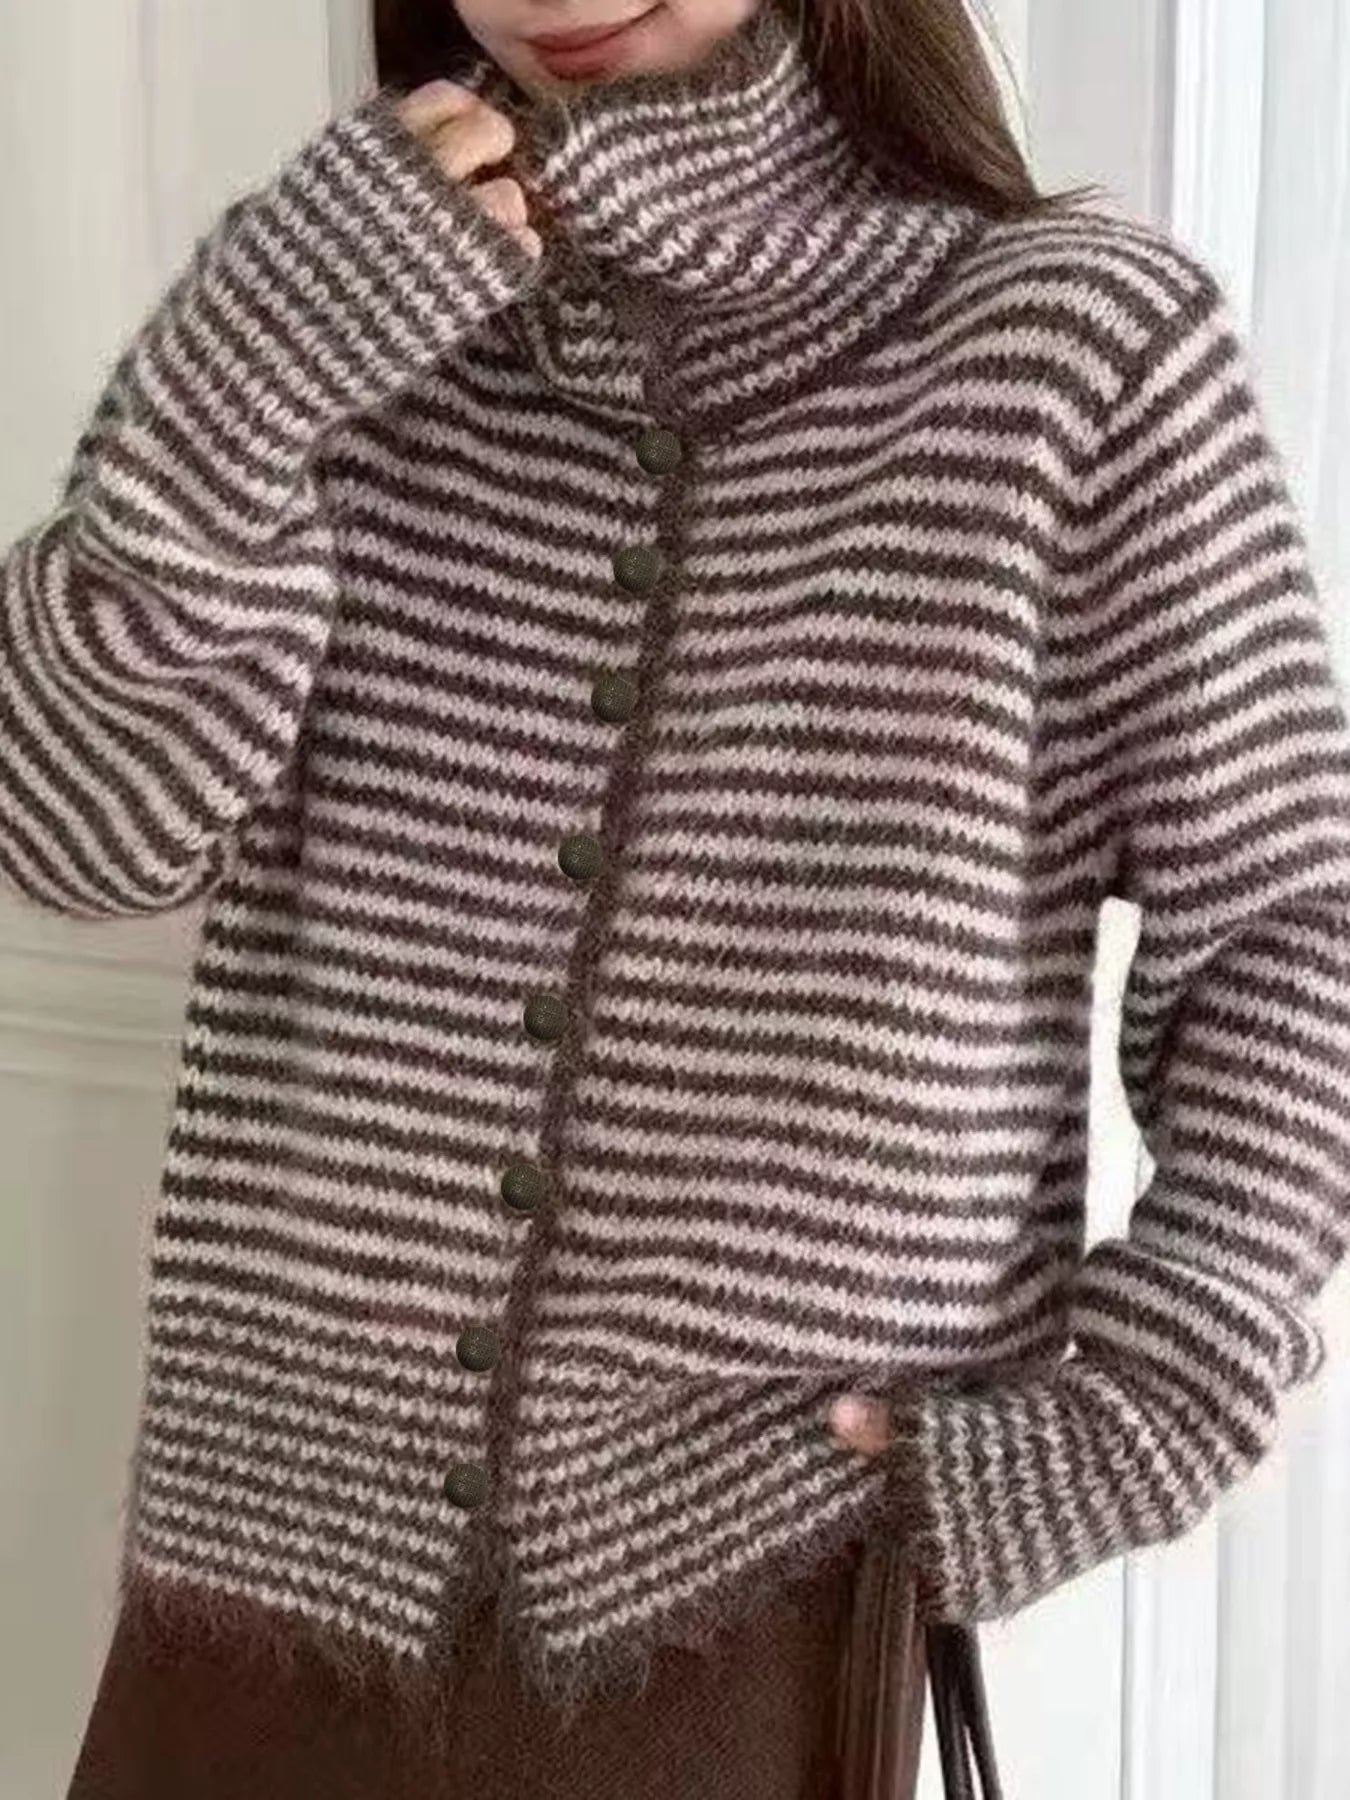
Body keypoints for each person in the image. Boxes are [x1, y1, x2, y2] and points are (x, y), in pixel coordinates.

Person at [5, 1, 1348, 1796]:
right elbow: (82, 840)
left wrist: (1164, 1390)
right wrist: (222, 407)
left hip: (742, 1573)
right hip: (264, 1564)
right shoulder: (339, 308)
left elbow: (1284, 924)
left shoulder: (1069, 346)